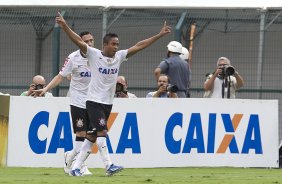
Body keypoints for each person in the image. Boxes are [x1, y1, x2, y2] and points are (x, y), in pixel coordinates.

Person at [56, 12, 171, 176]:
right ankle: (108, 165)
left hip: (108, 102)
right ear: (104, 45)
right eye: (113, 44)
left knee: (93, 135)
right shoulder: (94, 54)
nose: (116, 47)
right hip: (93, 101)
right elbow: (78, 41)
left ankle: (75, 167)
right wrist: (65, 26)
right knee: (102, 131)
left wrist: (159, 35)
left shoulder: (119, 56)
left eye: (117, 44)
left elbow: (139, 45)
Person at [35, 31, 96, 176]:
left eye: (91, 40)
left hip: (93, 101)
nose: (89, 43)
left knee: (91, 135)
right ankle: (80, 166)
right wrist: (46, 88)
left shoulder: (97, 55)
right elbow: (60, 76)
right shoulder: (73, 58)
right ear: (79, 42)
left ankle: (70, 156)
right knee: (81, 133)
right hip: (77, 100)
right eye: (86, 41)